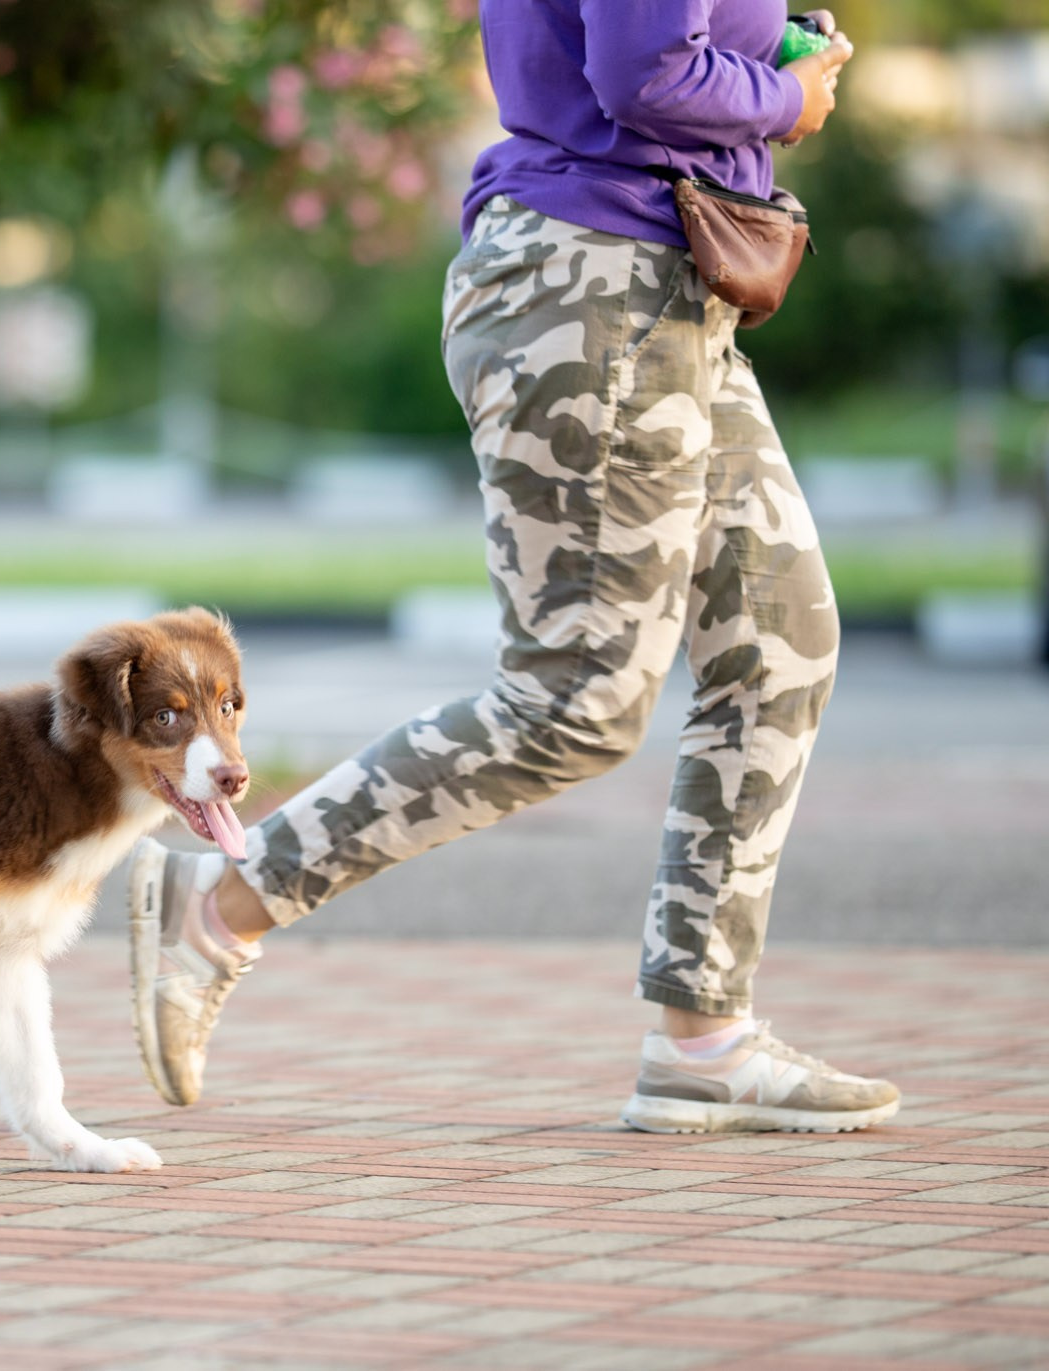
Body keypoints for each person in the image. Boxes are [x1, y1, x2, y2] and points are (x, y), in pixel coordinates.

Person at [129, 1, 900, 1134]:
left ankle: (704, 1038)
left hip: (673, 296)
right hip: (597, 297)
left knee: (777, 650)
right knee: (575, 698)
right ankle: (223, 899)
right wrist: (789, 96)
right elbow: (644, 72)